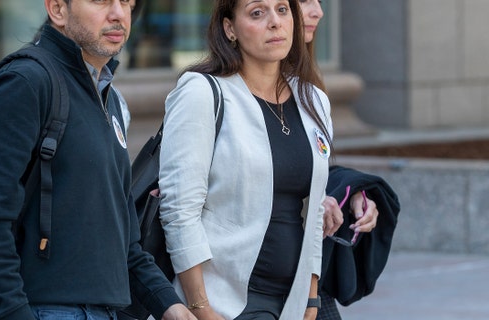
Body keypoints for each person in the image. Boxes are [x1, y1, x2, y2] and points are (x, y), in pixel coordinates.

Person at [0, 0, 197, 319]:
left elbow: (124, 242)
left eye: (126, 2)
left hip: (106, 309)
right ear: (57, 9)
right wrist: (14, 311)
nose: (118, 14)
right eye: (101, 1)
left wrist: (170, 306)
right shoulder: (26, 82)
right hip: (45, 309)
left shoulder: (105, 96)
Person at [159, 0, 333, 319]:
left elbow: (315, 210)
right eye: (257, 12)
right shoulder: (202, 92)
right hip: (224, 301)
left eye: (282, 10)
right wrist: (201, 308)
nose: (274, 22)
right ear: (230, 28)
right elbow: (179, 209)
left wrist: (310, 300)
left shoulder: (314, 100)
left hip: (292, 302)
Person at [297, 1, 400, 319]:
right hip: (248, 280)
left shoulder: (310, 92)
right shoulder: (214, 92)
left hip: (311, 274)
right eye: (302, 1)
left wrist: (351, 192)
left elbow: (311, 170)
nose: (318, 12)